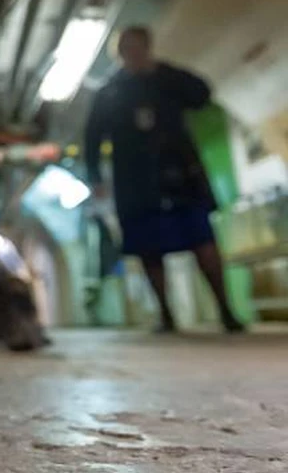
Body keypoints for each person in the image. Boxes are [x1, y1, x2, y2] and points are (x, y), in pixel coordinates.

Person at [84, 26, 244, 333]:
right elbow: (92, 136)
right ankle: (166, 315)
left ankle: (226, 310)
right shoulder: (110, 92)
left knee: (202, 239)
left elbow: (202, 93)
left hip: (180, 172)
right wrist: (95, 178)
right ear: (119, 53)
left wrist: (163, 71)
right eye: (127, 49)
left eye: (138, 47)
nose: (134, 53)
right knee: (148, 247)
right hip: (136, 181)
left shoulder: (168, 78)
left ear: (148, 47)